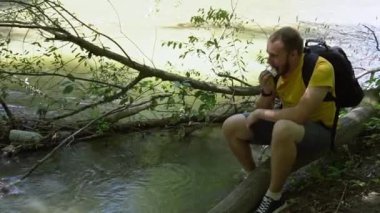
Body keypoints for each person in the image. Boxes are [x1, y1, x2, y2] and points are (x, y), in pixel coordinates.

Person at [222, 26, 336, 213]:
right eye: (268, 54)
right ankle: (254, 178)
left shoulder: (320, 68)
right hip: (288, 128)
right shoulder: (278, 71)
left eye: (274, 55)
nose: (269, 60)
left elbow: (300, 115)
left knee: (283, 128)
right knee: (231, 126)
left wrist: (260, 114)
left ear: (293, 54)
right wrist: (267, 91)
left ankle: (274, 196)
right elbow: (259, 111)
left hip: (319, 132)